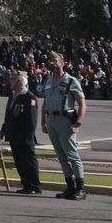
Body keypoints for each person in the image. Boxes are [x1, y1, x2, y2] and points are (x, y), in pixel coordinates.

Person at [39, 51, 88, 200]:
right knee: (61, 156)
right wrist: (43, 121)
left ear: (63, 62)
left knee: (72, 155)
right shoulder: (48, 80)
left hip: (65, 121)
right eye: (50, 60)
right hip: (52, 119)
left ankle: (80, 188)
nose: (52, 63)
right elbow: (45, 102)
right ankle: (70, 187)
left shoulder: (71, 81)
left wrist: (78, 123)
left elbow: (82, 104)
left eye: (55, 60)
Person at [2, 72, 42, 194]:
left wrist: (28, 138)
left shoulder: (30, 97)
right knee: (19, 162)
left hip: (24, 137)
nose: (10, 81)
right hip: (14, 136)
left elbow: (31, 121)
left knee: (28, 162)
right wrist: (2, 132)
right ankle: (26, 184)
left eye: (12, 79)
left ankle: (34, 185)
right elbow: (8, 117)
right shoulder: (13, 95)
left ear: (19, 81)